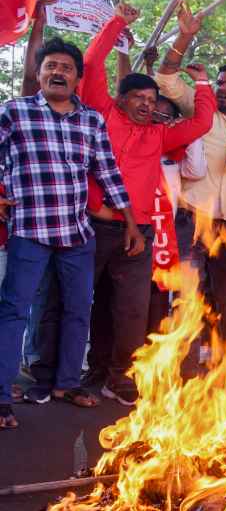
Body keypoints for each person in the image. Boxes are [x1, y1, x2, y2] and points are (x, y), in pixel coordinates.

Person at [79, 3, 215, 406]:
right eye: (137, 96)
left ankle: (121, 375)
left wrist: (204, 84)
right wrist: (117, 22)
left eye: (150, 98)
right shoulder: (102, 114)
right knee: (86, 303)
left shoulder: (159, 135)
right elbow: (90, 61)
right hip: (90, 227)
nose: (145, 103)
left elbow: (201, 124)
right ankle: (92, 368)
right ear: (120, 99)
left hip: (139, 236)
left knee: (132, 310)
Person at [0, 37, 139, 428]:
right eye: (51, 66)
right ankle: (0, 396)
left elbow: (108, 172)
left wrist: (131, 223)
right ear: (39, 73)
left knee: (79, 311)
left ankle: (66, 384)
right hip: (29, 229)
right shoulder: (15, 112)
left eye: (66, 67)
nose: (58, 72)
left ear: (78, 77)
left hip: (77, 234)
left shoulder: (91, 119)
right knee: (14, 310)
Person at [155, 3, 226, 362]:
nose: (223, 89)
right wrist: (184, 37)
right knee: (188, 294)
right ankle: (183, 368)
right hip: (190, 217)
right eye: (220, 83)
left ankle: (225, 366)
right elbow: (166, 79)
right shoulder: (201, 109)